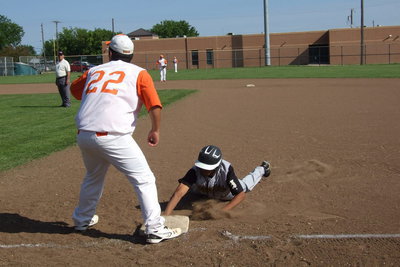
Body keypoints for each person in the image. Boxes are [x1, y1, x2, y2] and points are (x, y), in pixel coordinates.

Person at [70, 34, 182, 244]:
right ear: (131, 55)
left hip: (84, 135)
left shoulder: (93, 70)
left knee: (93, 177)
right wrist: (155, 130)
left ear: (110, 52)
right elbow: (154, 106)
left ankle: (82, 220)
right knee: (144, 179)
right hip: (114, 137)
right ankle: (155, 228)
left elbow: (75, 91)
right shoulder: (139, 73)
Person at [164, 145, 271, 215]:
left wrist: (222, 211)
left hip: (225, 193)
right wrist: (167, 215)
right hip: (203, 190)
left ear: (216, 166)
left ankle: (262, 169)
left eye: (207, 168)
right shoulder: (195, 170)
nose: (203, 169)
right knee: (188, 190)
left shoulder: (226, 169)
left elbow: (240, 195)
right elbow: (178, 193)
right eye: (202, 166)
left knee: (245, 185)